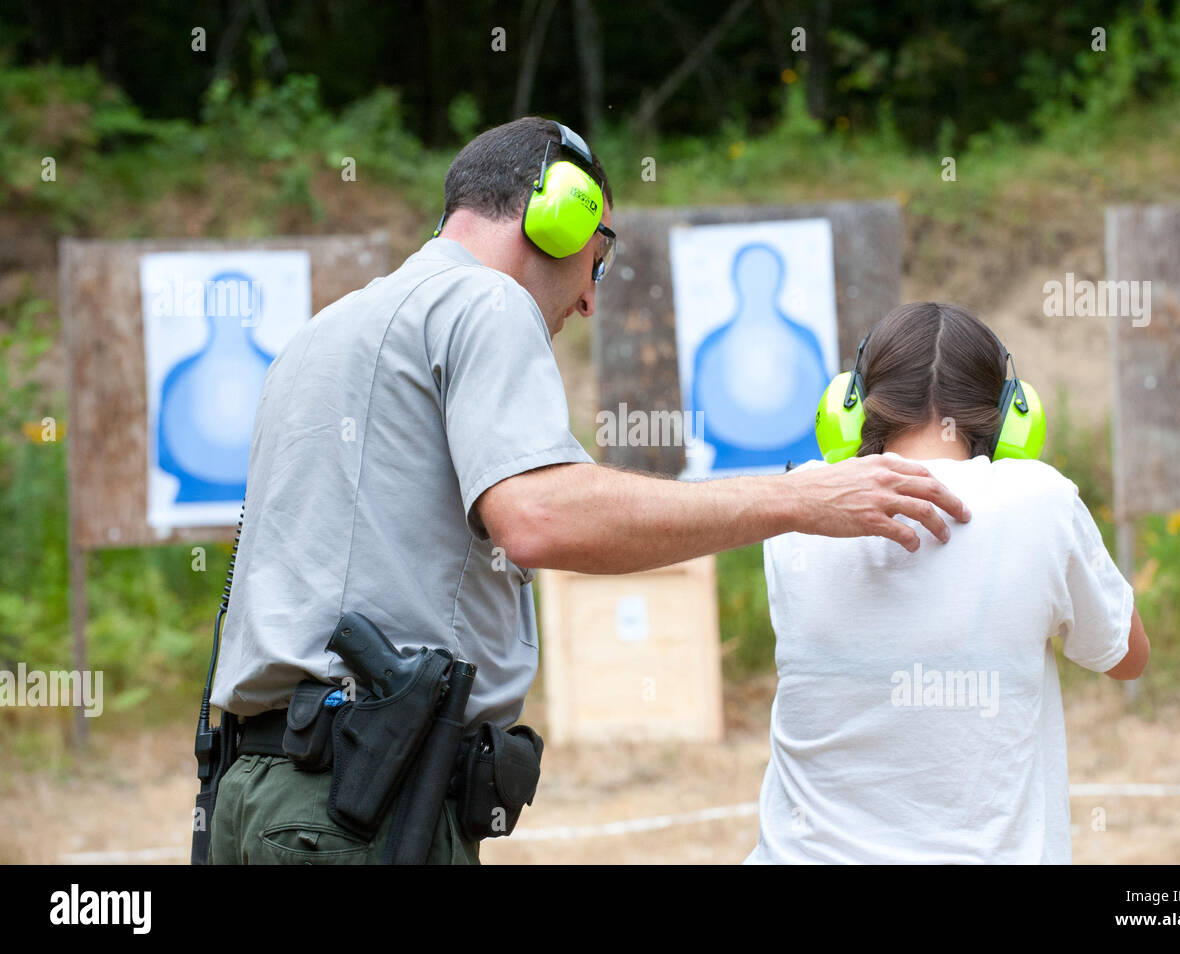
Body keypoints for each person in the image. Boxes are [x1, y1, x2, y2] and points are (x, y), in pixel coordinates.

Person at [205, 118, 972, 865]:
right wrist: (803, 501)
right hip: (354, 809)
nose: (589, 300)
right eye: (598, 260)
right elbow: (539, 518)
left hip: (257, 792)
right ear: (559, 216)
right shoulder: (485, 301)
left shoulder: (321, 334)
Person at [747, 301, 1150, 865]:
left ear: (852, 406)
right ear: (1012, 417)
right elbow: (1126, 657)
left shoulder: (796, 502)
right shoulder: (1043, 500)